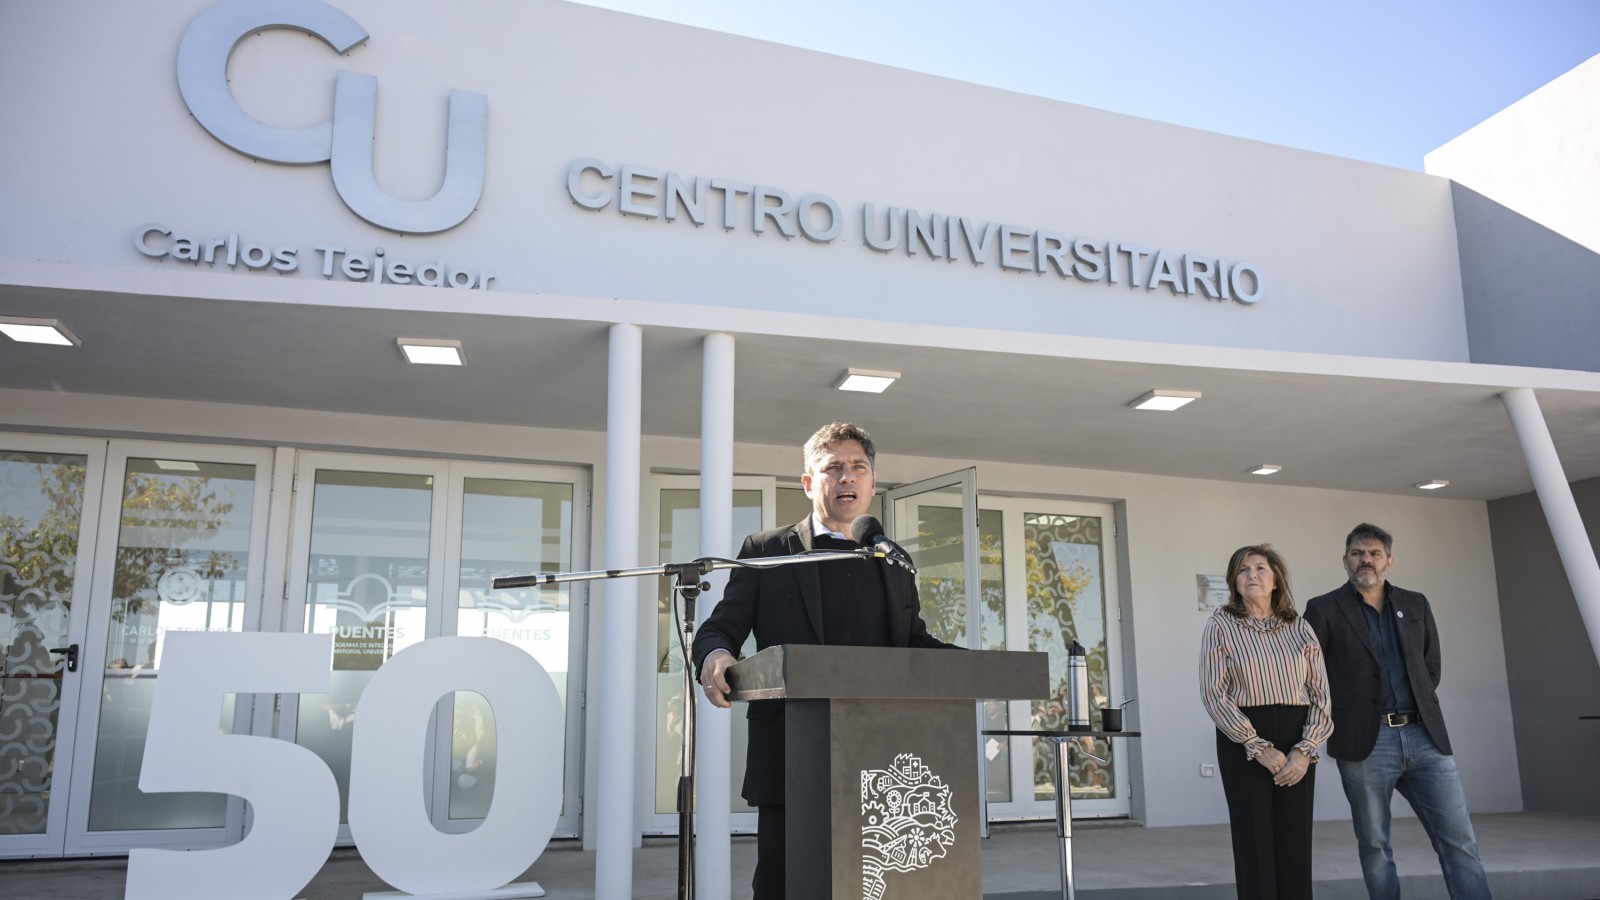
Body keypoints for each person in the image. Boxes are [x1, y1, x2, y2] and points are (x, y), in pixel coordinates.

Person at [692, 421, 957, 900]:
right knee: (784, 884)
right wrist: (716, 653)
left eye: (858, 467)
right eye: (833, 467)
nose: (847, 477)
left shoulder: (892, 561)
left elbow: (914, 643)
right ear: (810, 482)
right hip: (791, 754)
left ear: (873, 483)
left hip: (882, 760)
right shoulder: (767, 551)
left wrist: (972, 665)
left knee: (873, 887)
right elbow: (720, 627)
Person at [1304, 524, 1492, 899]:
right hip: (1366, 743)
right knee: (1375, 845)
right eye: (1357, 553)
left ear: (1389, 560)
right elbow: (1311, 674)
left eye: (1374, 553)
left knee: (1459, 840)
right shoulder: (1323, 608)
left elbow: (1430, 667)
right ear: (1345, 560)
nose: (1365, 560)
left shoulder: (1415, 603)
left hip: (1425, 738)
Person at [1200, 544, 1333, 900]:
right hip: (1243, 737)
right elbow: (1215, 694)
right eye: (1243, 570)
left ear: (1275, 580)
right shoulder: (1220, 625)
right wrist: (1256, 746)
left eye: (1260, 568)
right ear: (1234, 581)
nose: (1252, 575)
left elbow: (1321, 695)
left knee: (1294, 838)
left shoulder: (1299, 627)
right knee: (1253, 840)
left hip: (1297, 736)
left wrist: (1305, 751)